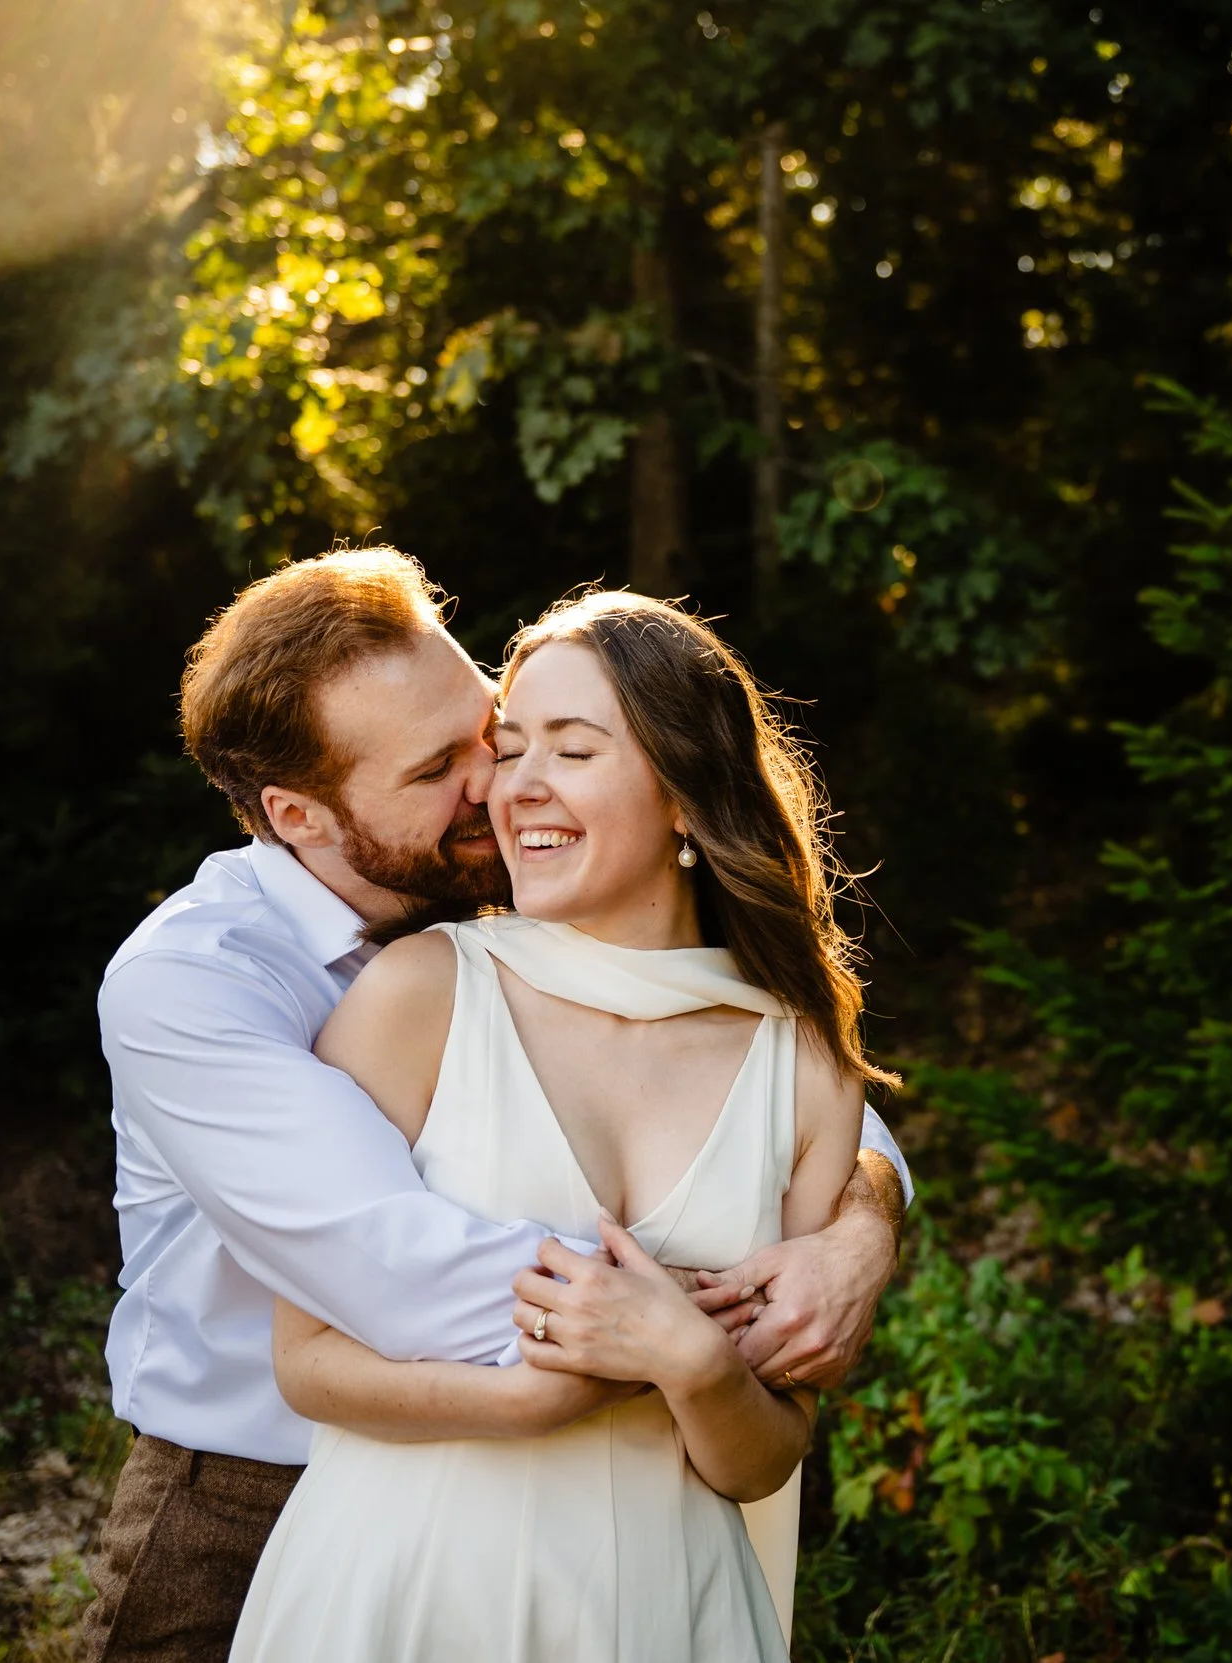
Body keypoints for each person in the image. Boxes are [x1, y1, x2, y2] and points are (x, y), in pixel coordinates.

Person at [83, 549, 909, 1663]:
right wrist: (704, 1338)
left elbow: (797, 1114)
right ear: (301, 814)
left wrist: (858, 1232)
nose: (495, 783)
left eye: (496, 729)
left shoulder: (548, 928)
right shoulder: (197, 986)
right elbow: (401, 1272)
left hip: (638, 1552)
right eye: (446, 767)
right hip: (247, 1492)